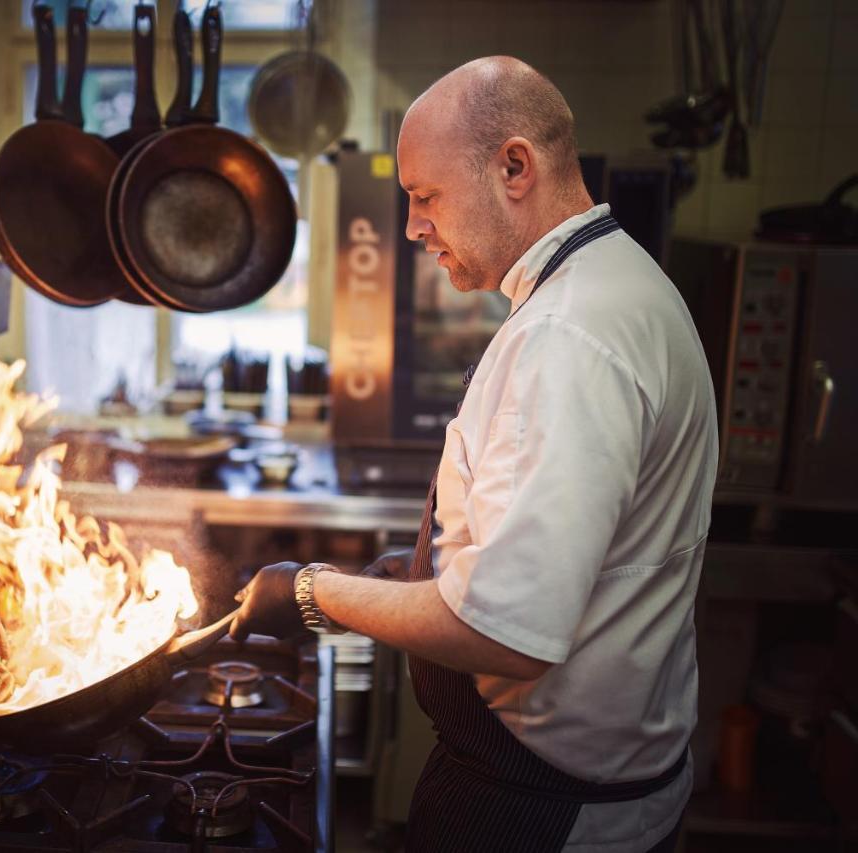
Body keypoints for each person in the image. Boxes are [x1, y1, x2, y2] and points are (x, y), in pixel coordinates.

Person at [230, 56, 718, 853]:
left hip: (545, 810)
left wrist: (313, 591)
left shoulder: (568, 334)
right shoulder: (617, 284)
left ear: (514, 166)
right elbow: (557, 555)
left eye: (426, 196)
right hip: (588, 782)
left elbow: (507, 632)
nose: (415, 225)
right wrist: (428, 570)